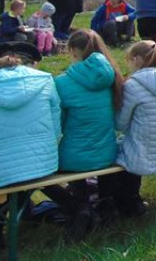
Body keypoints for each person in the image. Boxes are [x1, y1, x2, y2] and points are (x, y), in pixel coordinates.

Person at [42, 29, 122, 238]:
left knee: (45, 168)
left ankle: (81, 206)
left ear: (73, 51)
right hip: (107, 153)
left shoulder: (62, 82)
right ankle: (105, 202)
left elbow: (56, 124)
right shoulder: (112, 76)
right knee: (86, 151)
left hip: (74, 158)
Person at [99, 40, 156, 217]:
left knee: (111, 152)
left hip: (144, 153)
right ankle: (129, 199)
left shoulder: (133, 85)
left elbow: (120, 124)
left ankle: (121, 201)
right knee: (134, 143)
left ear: (136, 60)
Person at [0, 46, 60, 192]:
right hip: (43, 162)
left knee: (6, 180)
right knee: (23, 178)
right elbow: (56, 123)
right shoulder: (45, 80)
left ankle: (8, 214)